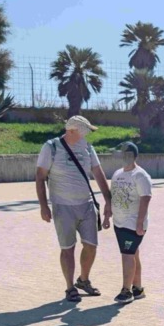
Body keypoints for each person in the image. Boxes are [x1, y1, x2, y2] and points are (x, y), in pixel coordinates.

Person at [36, 116, 113, 303]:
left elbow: (98, 173)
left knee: (91, 246)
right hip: (63, 206)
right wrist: (43, 205)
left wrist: (108, 201)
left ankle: (83, 280)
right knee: (68, 249)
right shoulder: (51, 147)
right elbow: (40, 177)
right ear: (71, 130)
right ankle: (70, 287)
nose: (87, 134)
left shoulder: (87, 148)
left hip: (86, 205)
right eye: (84, 130)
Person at [109, 142, 153, 304]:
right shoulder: (117, 174)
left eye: (126, 154)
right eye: (121, 154)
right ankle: (137, 288)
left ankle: (126, 290)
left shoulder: (140, 175)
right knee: (133, 254)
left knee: (127, 255)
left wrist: (140, 222)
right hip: (119, 222)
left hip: (133, 223)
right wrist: (107, 214)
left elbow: (145, 198)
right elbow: (113, 195)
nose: (123, 157)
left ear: (133, 156)